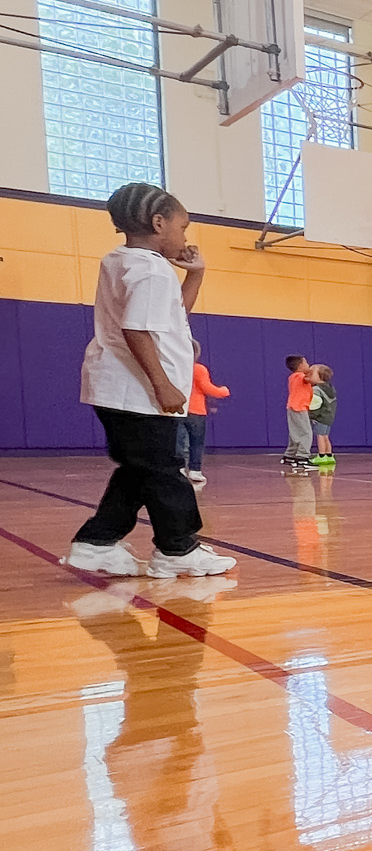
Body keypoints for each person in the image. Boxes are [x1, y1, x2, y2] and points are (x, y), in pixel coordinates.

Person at [65, 182, 237, 579]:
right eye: (183, 227)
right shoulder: (152, 271)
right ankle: (177, 549)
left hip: (119, 389)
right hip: (137, 391)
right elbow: (136, 330)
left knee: (139, 469)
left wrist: (195, 274)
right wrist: (162, 384)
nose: (185, 237)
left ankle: (97, 543)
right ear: (159, 223)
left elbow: (173, 316)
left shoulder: (123, 261)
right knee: (162, 470)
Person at [179, 342, 229, 486]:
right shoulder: (199, 369)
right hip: (196, 411)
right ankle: (195, 470)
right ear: (196, 353)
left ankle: (180, 468)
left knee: (179, 441)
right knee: (196, 442)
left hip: (178, 410)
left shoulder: (177, 369)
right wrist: (223, 391)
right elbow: (206, 387)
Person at [282, 353, 316, 472]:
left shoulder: (292, 377)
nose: (308, 365)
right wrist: (315, 371)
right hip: (299, 407)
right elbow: (311, 379)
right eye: (306, 363)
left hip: (293, 407)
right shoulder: (299, 376)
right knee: (306, 433)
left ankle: (290, 455)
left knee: (295, 432)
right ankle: (302, 457)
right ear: (301, 366)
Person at [309, 364, 338, 467]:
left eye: (311, 373)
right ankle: (329, 455)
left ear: (319, 376)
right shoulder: (330, 388)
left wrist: (312, 416)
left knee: (320, 436)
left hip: (320, 417)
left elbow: (315, 405)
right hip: (329, 416)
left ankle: (321, 456)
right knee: (326, 436)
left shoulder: (316, 390)